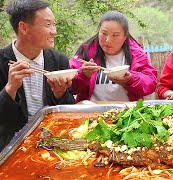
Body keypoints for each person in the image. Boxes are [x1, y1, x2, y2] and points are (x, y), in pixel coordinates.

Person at [0, 0, 75, 151]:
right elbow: (4, 124)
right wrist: (10, 90)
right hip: (10, 147)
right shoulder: (2, 62)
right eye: (48, 25)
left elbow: (68, 114)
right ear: (24, 28)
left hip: (51, 144)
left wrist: (60, 94)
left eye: (54, 24)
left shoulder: (59, 61)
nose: (54, 31)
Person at [69, 11, 157, 102]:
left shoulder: (137, 55)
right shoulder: (86, 52)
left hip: (126, 113)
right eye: (103, 33)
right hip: (91, 112)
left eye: (115, 35)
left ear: (125, 36)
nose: (108, 40)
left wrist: (130, 79)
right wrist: (84, 75)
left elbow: (150, 84)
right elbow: (69, 87)